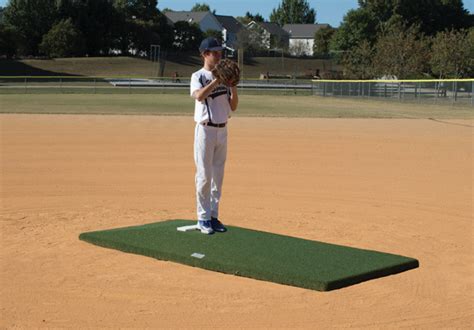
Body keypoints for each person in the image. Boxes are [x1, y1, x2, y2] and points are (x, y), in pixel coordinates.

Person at [190, 37, 239, 234]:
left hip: (222, 129)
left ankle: (213, 216)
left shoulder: (226, 79)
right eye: (215, 52)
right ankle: (202, 218)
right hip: (205, 130)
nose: (219, 55)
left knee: (218, 176)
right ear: (205, 54)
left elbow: (233, 107)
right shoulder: (198, 76)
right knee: (204, 175)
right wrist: (217, 79)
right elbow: (199, 96)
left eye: (221, 52)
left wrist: (233, 85)